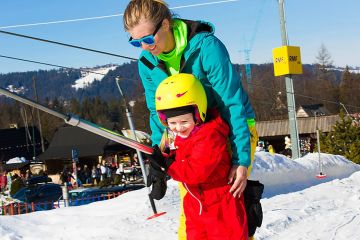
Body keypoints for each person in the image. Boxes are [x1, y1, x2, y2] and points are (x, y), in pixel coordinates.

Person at [123, 1, 258, 239]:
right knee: (194, 205)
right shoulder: (146, 63)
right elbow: (158, 113)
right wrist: (160, 156)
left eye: (148, 39)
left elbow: (231, 103)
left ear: (165, 24)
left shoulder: (206, 47)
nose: (144, 47)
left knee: (227, 206)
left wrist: (240, 160)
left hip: (229, 128)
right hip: (189, 135)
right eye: (136, 42)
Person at [149, 74, 248, 239]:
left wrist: (168, 165)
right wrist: (158, 161)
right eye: (172, 123)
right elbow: (168, 148)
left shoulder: (210, 136)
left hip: (221, 207)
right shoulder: (178, 135)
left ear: (197, 114)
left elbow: (195, 172)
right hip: (196, 204)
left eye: (184, 122)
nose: (178, 128)